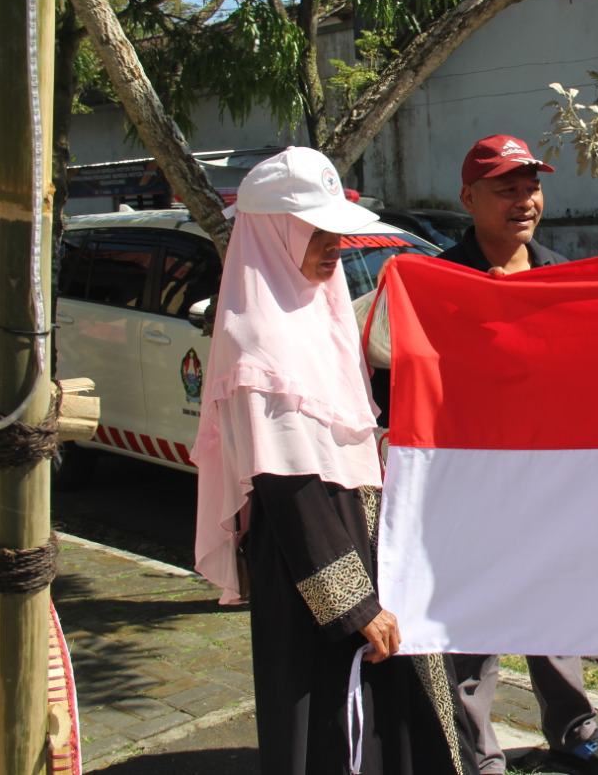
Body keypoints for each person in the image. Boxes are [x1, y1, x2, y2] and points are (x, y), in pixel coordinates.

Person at [192, 146, 476, 775]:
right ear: (271, 233)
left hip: (364, 533)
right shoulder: (256, 339)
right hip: (309, 565)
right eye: (315, 231)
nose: (333, 246)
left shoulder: (323, 317)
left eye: (336, 232)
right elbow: (285, 484)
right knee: (331, 722)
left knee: (398, 713)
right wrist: (353, 605)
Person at [437, 134, 598, 775]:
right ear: (469, 198)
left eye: (532, 187)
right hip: (472, 482)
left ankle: (575, 731)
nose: (524, 201)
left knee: (556, 606)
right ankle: (478, 755)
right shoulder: (439, 283)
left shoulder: (560, 275)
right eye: (506, 189)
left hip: (551, 481)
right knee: (475, 619)